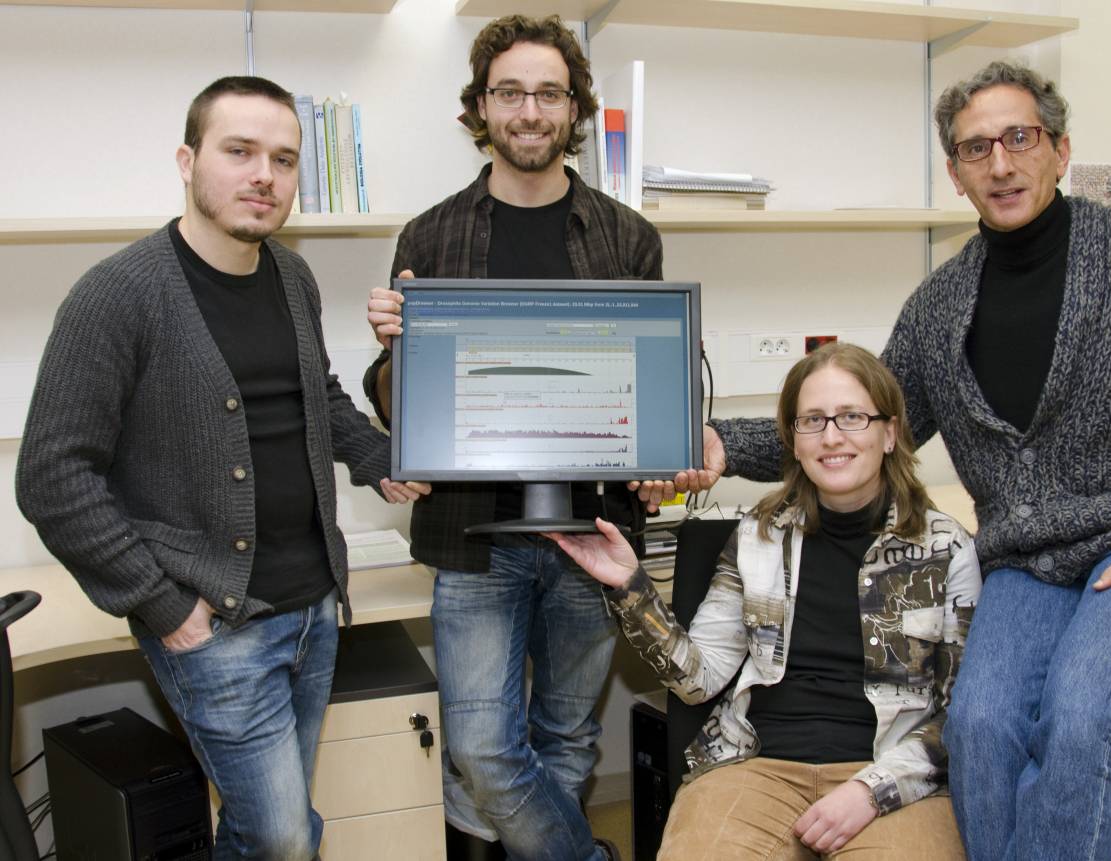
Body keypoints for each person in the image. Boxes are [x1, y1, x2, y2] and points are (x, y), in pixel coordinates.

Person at [646, 61, 1111, 861]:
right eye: (976, 147)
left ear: (1059, 149)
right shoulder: (943, 303)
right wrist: (720, 445)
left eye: (1019, 138)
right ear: (955, 173)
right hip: (1030, 561)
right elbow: (865, 420)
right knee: (980, 728)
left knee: (1084, 719)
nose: (1000, 161)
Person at [15, 76, 429, 860]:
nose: (263, 175)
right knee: (283, 835)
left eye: (283, 158)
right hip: (218, 624)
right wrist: (164, 605)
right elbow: (50, 477)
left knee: (252, 828)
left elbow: (320, 399)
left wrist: (380, 459)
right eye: (239, 151)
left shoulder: (291, 277)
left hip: (316, 609)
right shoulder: (116, 295)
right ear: (187, 159)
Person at [361, 14, 662, 860]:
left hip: (592, 533)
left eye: (548, 94)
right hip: (473, 538)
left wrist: (667, 439)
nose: (529, 111)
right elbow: (397, 406)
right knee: (483, 749)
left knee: (565, 741)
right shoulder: (430, 235)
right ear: (481, 108)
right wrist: (396, 352)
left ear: (572, 110)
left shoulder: (626, 236)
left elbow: (658, 383)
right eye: (510, 93)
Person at [553, 344, 980, 860]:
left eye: (852, 417)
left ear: (889, 433)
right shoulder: (761, 535)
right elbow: (700, 678)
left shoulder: (947, 549)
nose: (831, 437)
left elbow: (963, 717)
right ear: (793, 442)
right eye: (812, 421)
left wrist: (873, 790)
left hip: (892, 774)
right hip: (757, 766)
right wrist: (629, 586)